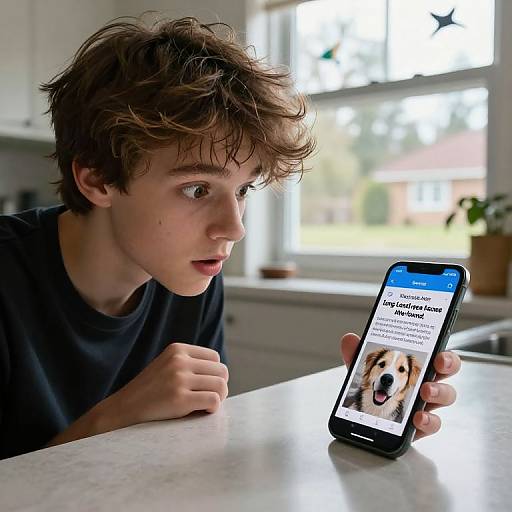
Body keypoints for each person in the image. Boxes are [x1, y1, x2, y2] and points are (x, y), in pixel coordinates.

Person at [0, 16, 460, 460]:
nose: (235, 227)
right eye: (197, 188)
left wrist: (376, 408)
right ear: (97, 180)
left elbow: (177, 459)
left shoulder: (191, 274)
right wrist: (116, 416)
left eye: (242, 190)